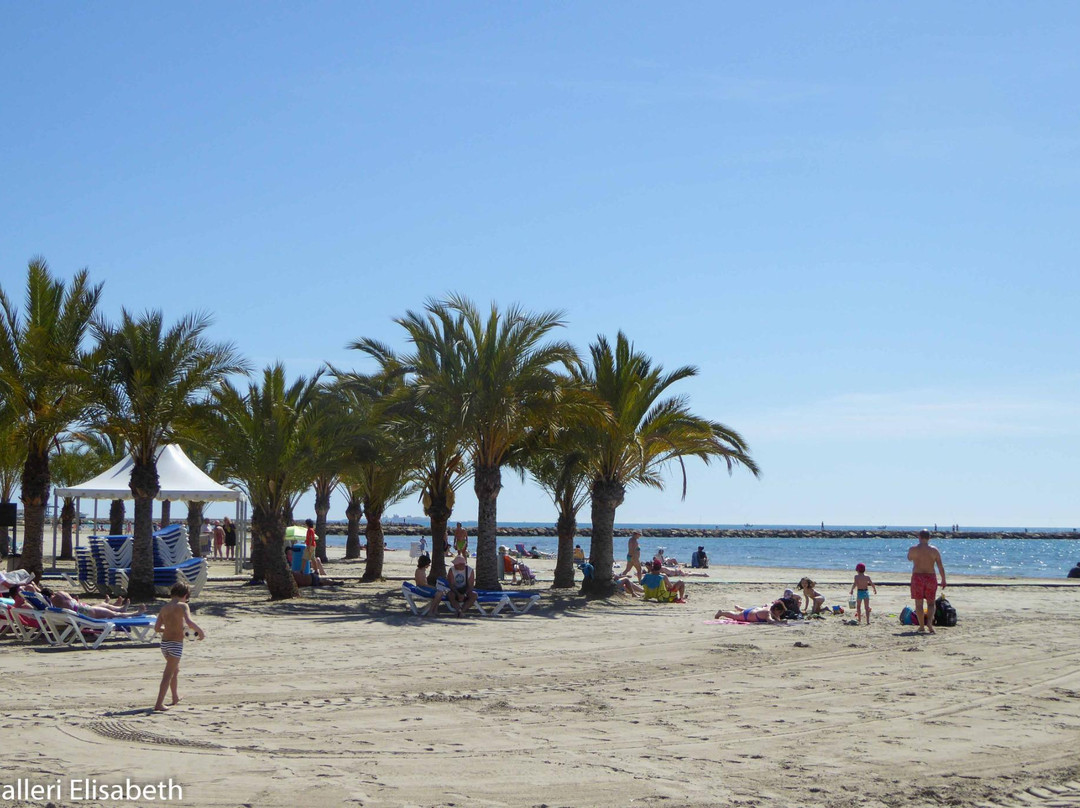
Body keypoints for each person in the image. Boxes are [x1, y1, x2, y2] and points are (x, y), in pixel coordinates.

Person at [153, 582, 205, 712]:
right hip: (175, 644)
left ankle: (175, 697)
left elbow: (157, 628)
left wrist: (169, 628)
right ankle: (159, 704)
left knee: (175, 671)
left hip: (164, 644)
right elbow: (189, 621)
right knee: (168, 674)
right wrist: (201, 632)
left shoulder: (164, 608)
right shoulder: (183, 606)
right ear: (185, 595)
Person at [907, 528, 946, 634]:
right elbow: (940, 566)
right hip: (930, 577)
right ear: (929, 538)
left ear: (919, 537)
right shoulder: (934, 550)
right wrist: (943, 579)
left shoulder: (913, 549)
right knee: (931, 603)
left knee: (919, 603)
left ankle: (921, 626)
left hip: (917, 577)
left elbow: (909, 558)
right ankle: (929, 622)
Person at [715, 601, 787, 624]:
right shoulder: (767, 613)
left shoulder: (771, 609)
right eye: (780, 612)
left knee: (744, 611)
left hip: (755, 610)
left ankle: (739, 608)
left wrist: (780, 621)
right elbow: (770, 621)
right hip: (747, 614)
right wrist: (780, 622)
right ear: (776, 609)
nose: (780, 614)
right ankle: (721, 613)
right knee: (735, 616)